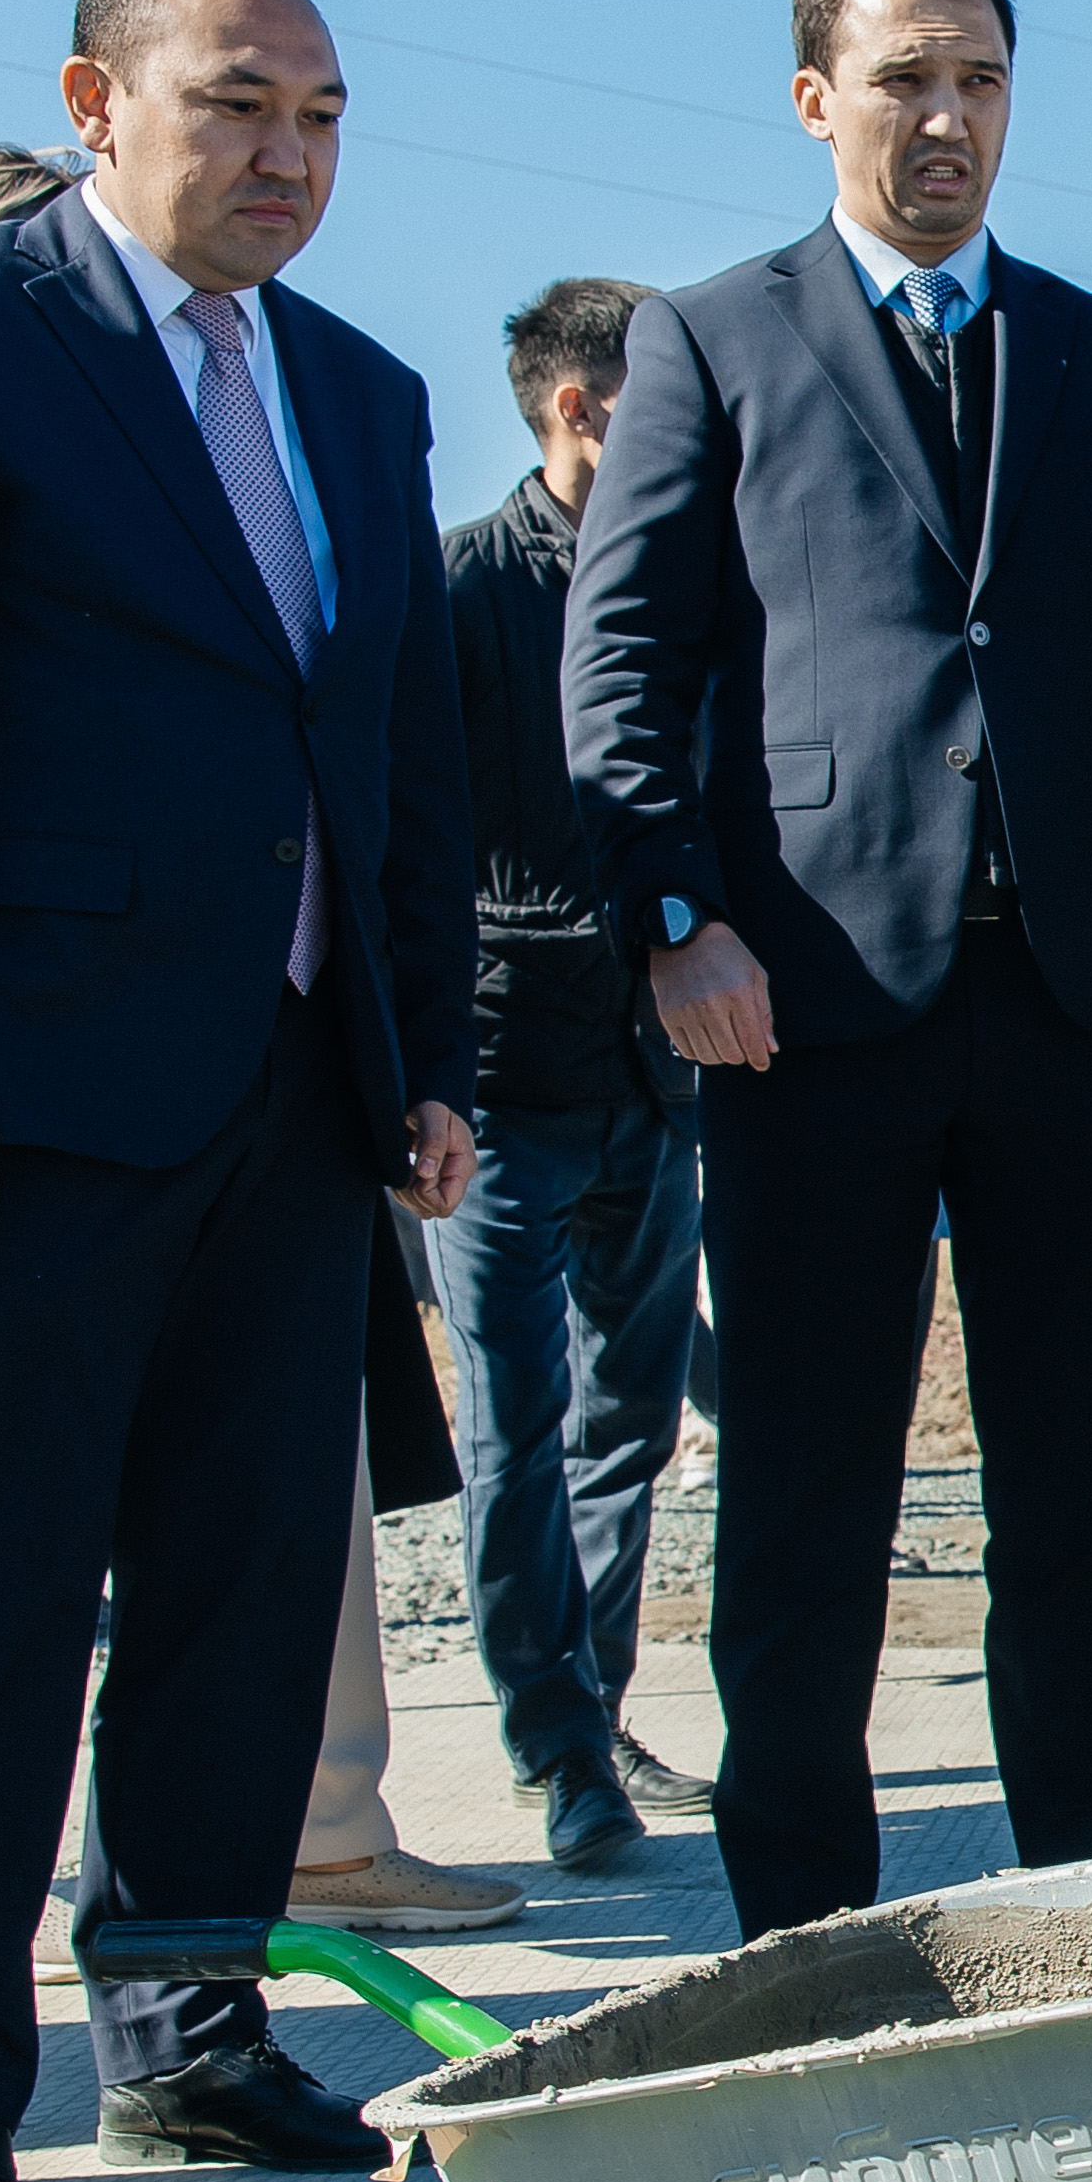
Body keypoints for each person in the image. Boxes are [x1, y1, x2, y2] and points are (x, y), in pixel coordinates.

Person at [0, 0, 479, 2182]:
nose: (283, 155)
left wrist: (418, 1056)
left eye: (318, 114)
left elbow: (382, 750)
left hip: (290, 1099)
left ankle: (187, 2037)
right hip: (25, 1101)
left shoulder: (362, 395)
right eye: (232, 106)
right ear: (97, 103)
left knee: (240, 1586)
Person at [565, 0, 1092, 1942]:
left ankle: (1087, 1920)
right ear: (816, 100)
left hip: (1070, 1000)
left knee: (1079, 1496)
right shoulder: (714, 338)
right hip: (804, 1008)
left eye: (974, 77)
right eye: (901, 79)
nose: (942, 117)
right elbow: (624, 664)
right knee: (805, 1497)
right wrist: (674, 919)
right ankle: (798, 1930)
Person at [437, 273, 706, 1878]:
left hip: (654, 1080)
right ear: (579, 412)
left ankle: (594, 1702)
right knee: (514, 1420)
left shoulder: (695, 589)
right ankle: (556, 1741)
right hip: (494, 1083)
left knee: (633, 1420)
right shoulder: (461, 592)